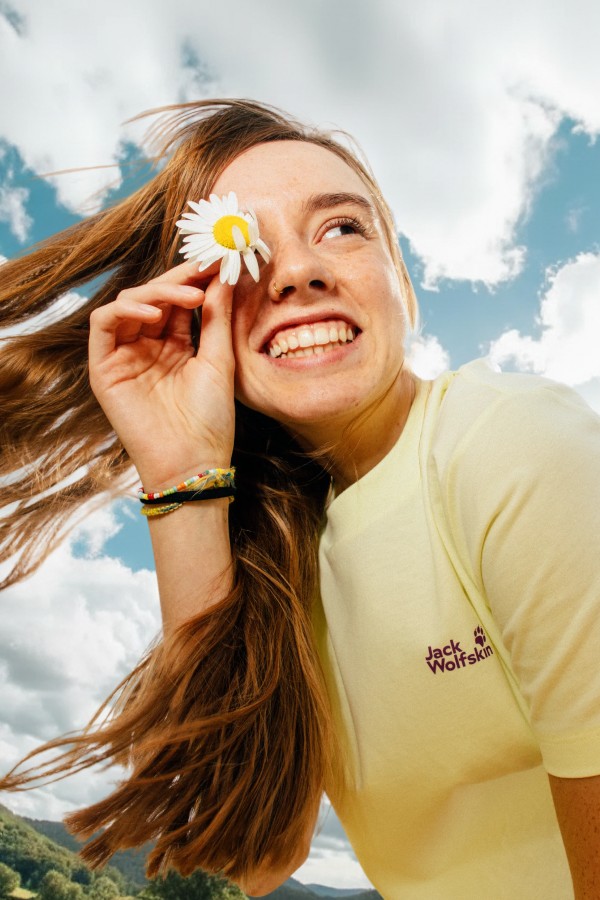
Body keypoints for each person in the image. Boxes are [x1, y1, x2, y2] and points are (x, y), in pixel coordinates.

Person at [0, 99, 599, 900]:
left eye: (343, 228)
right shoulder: (280, 549)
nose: (297, 271)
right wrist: (183, 475)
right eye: (241, 243)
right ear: (193, 309)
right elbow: (244, 853)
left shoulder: (511, 446)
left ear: (402, 280)